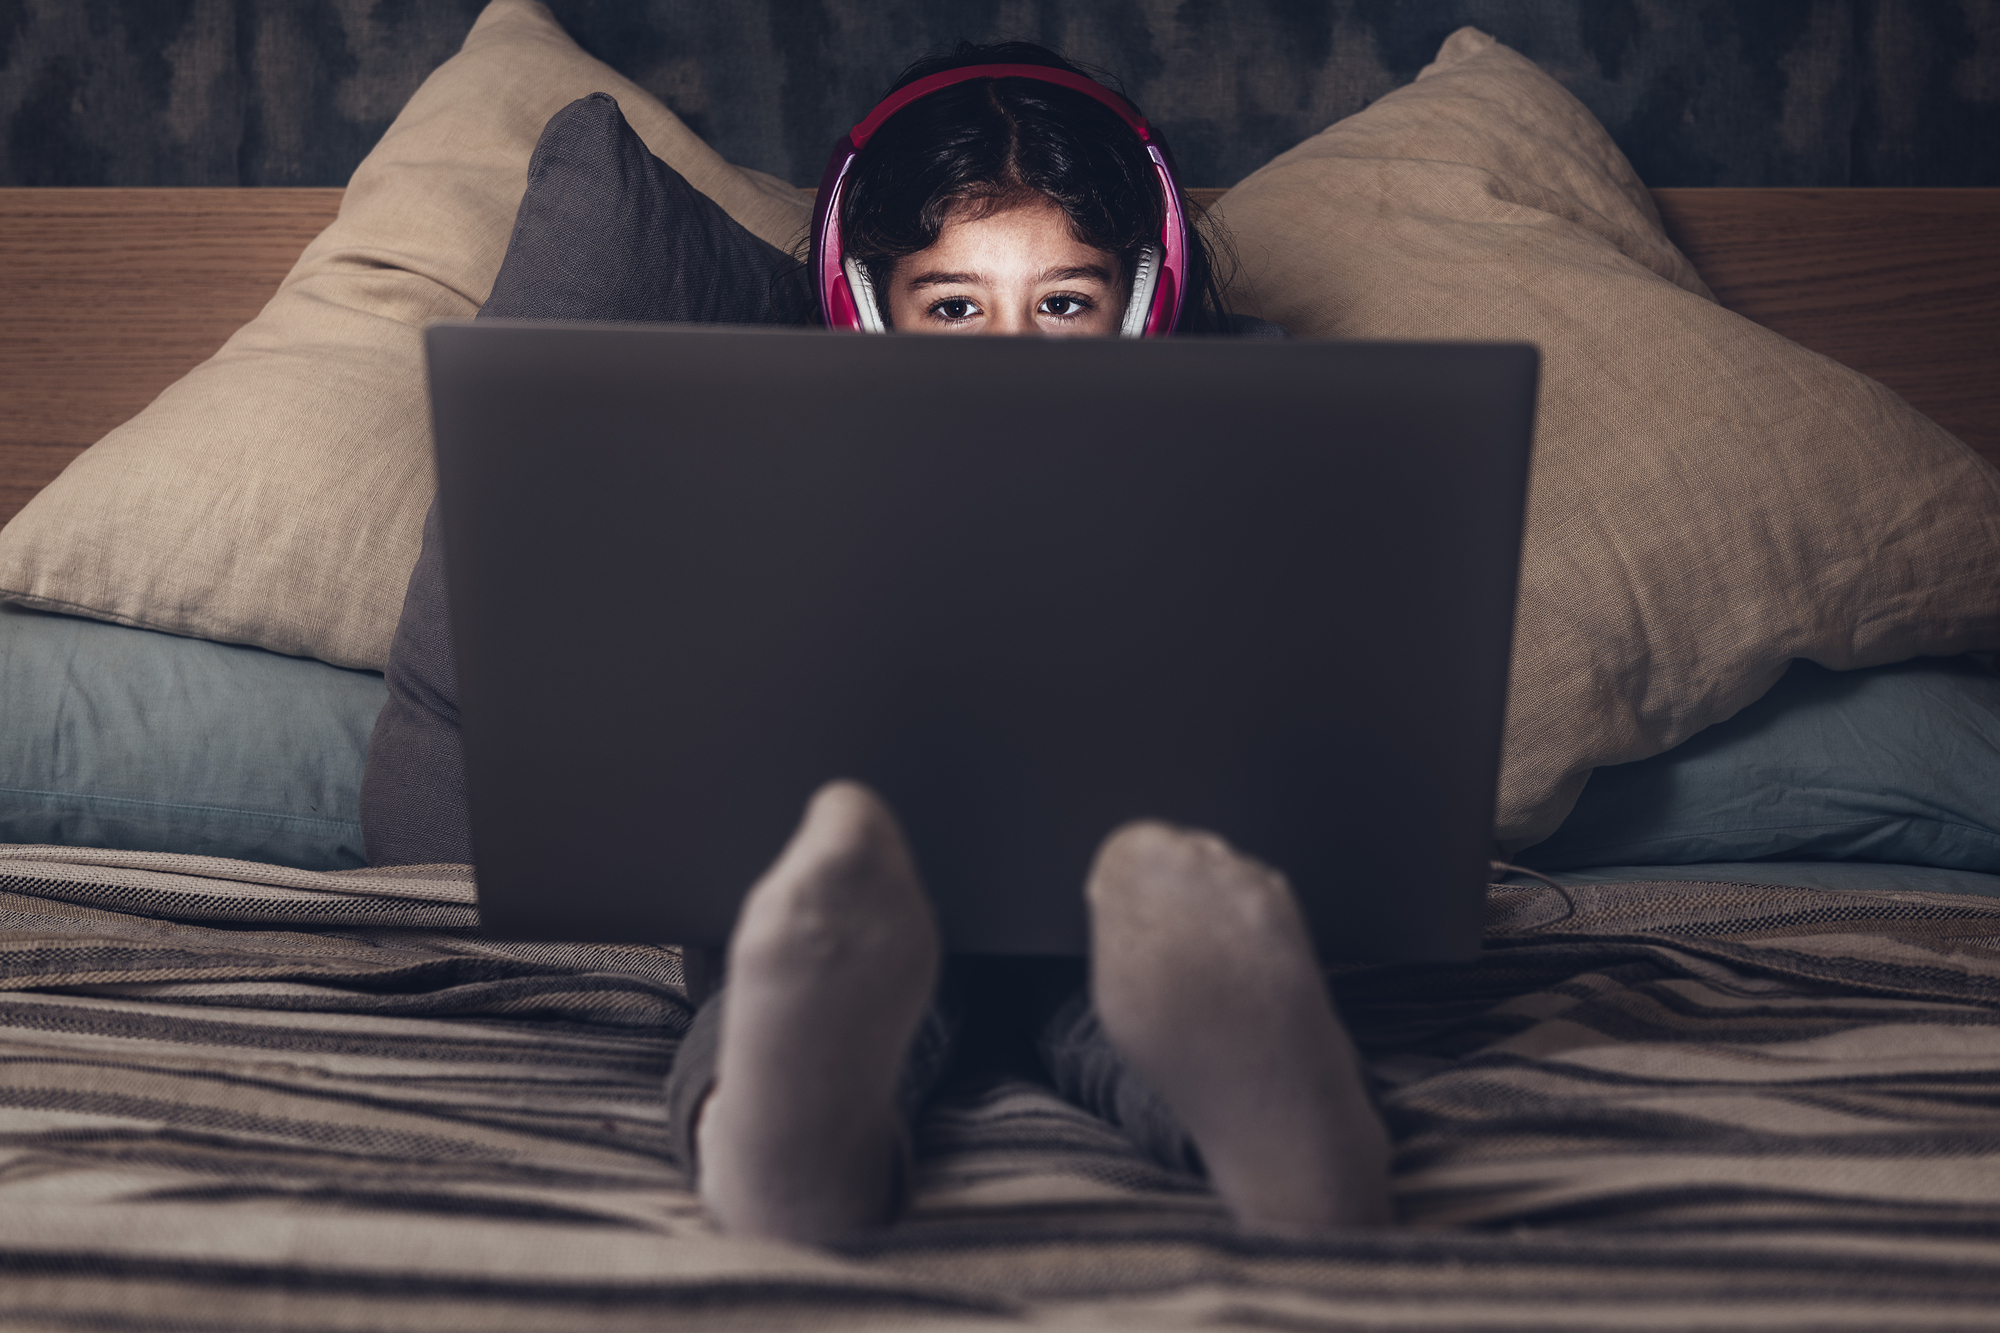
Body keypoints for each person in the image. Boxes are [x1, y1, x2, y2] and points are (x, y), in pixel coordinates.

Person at [362, 40, 1391, 1245]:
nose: (1010, 352)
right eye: (953, 306)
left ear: (1140, 303)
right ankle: (787, 1132)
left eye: (1063, 302)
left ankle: (1280, 1124)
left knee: (1134, 972)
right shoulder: (750, 448)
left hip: (1113, 890)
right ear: (862, 305)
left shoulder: (1259, 431)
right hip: (863, 873)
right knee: (800, 950)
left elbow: (1313, 719)